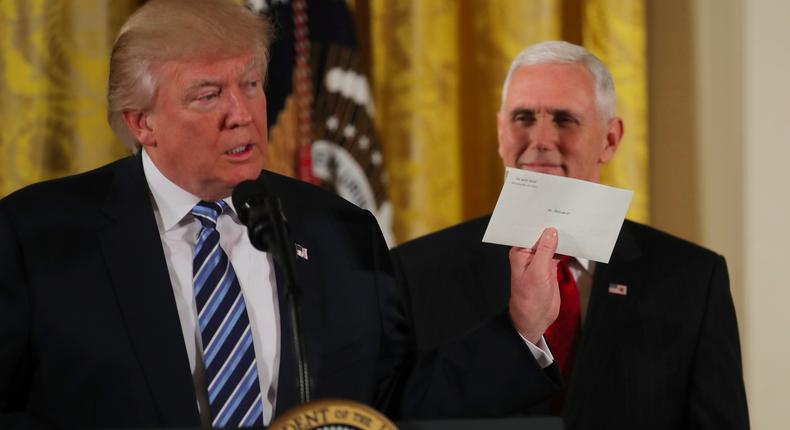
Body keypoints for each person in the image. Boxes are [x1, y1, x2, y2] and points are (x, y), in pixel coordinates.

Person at [0, 1, 562, 428]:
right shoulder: (37, 237)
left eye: (250, 84)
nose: (242, 114)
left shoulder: (340, 232)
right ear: (141, 122)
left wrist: (522, 329)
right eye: (207, 95)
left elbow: (389, 406)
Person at [391, 41, 749, 430]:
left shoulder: (692, 280)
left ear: (610, 140)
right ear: (500, 133)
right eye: (523, 118)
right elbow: (392, 418)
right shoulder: (417, 270)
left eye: (564, 119)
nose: (540, 139)